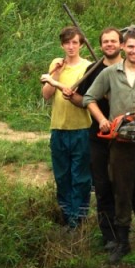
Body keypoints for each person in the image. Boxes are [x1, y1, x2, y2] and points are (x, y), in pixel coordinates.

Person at [82, 28, 135, 263]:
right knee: (121, 189)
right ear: (123, 47)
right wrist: (102, 120)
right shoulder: (110, 73)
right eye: (130, 46)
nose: (134, 50)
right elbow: (89, 98)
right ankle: (122, 241)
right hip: (120, 140)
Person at [40, 26, 92, 228]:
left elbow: (84, 97)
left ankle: (78, 219)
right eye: (67, 43)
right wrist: (57, 74)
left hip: (81, 128)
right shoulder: (56, 64)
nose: (71, 47)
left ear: (81, 45)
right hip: (58, 128)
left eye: (75, 43)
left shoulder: (88, 67)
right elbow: (46, 94)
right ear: (62, 45)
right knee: (62, 175)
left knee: (80, 176)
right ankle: (66, 215)